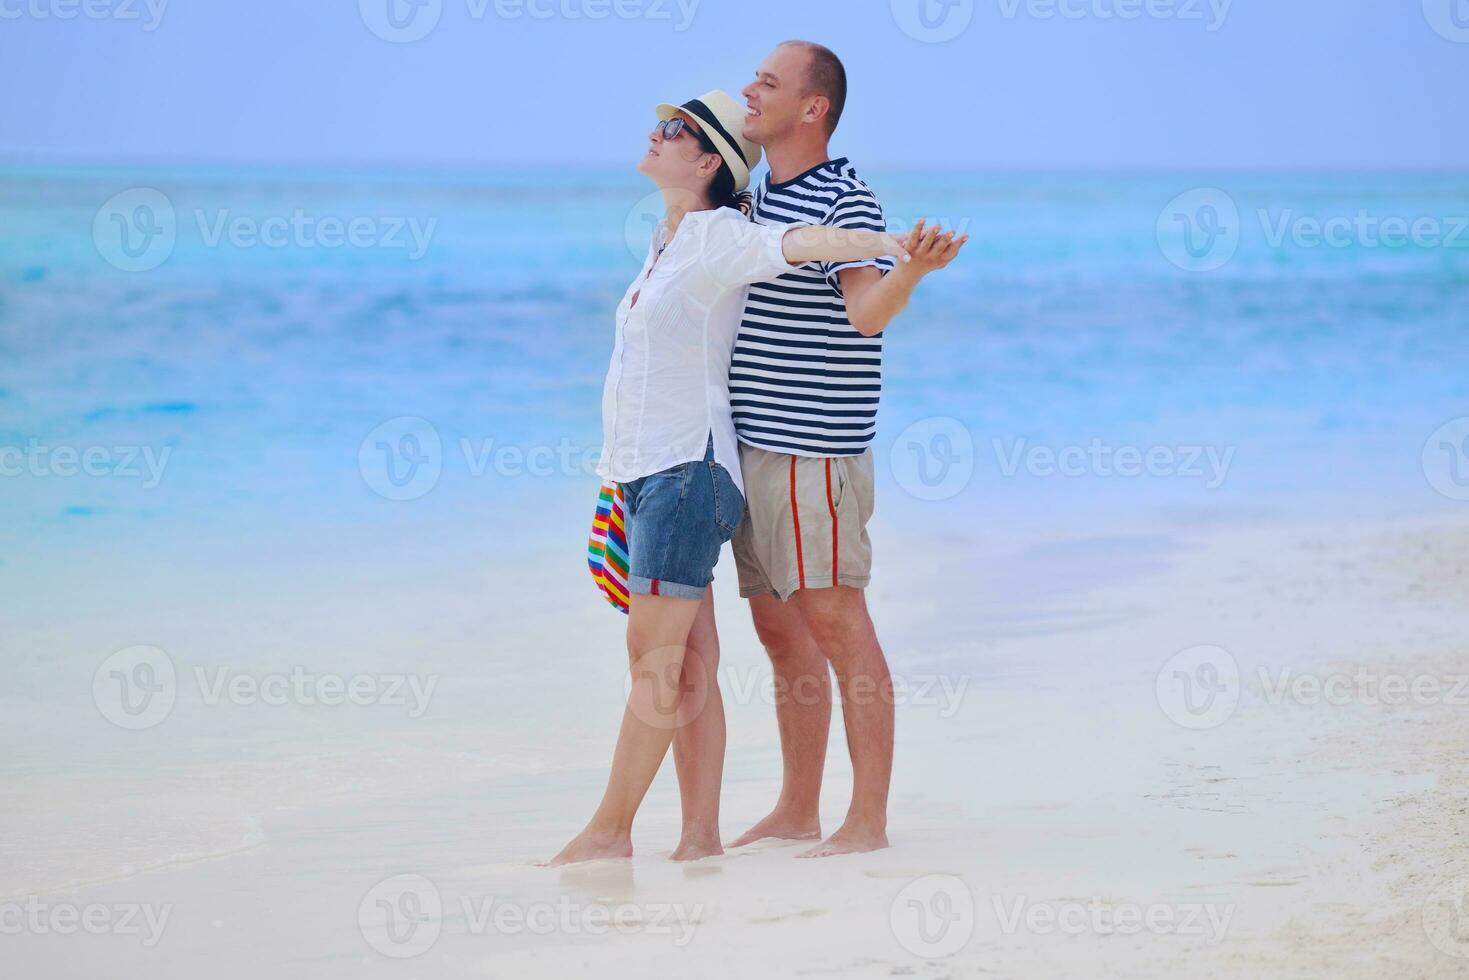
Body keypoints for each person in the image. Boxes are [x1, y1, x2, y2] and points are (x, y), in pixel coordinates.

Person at [549, 89, 953, 866]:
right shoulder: (669, 240)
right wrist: (611, 484)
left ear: (706, 161)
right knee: (690, 661)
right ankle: (699, 838)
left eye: (673, 130)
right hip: (641, 476)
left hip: (688, 473)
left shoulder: (718, 235)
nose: (653, 134)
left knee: (655, 661)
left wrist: (896, 243)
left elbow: (804, 245)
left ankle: (610, 833)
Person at [727, 42, 968, 858]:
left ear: (811, 109)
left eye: (767, 81)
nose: (748, 90)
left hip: (810, 452)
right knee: (779, 634)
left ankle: (865, 821)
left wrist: (913, 272)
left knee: (837, 623)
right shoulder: (758, 195)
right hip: (750, 448)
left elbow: (866, 315)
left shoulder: (843, 195)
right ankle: (797, 809)